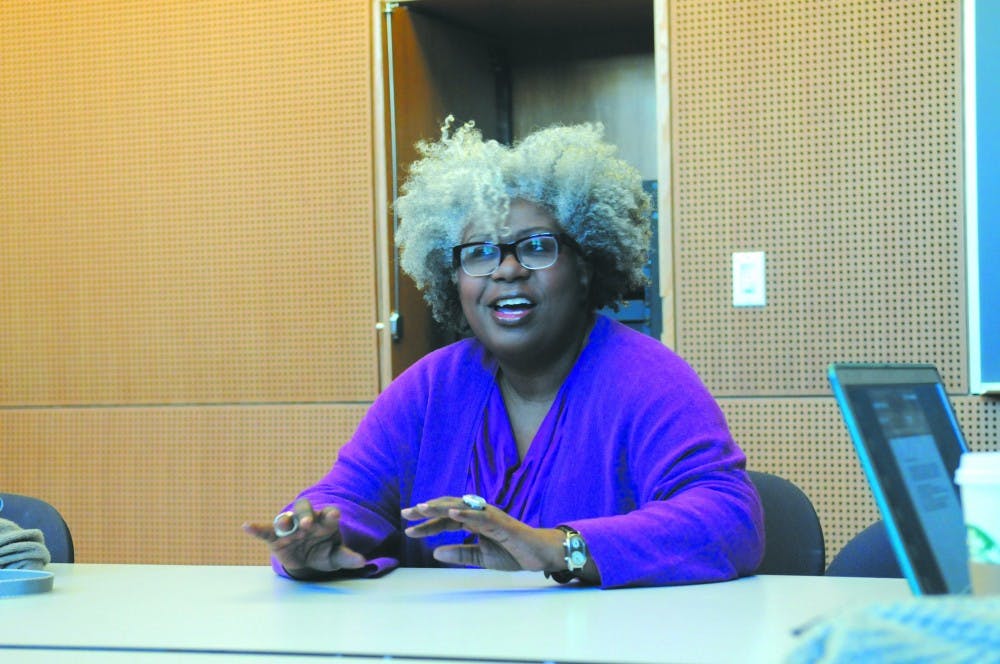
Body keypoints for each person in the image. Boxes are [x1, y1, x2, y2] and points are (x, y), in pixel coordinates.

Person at [244, 118, 765, 588]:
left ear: (585, 268)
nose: (506, 269)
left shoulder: (646, 376)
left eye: (537, 247)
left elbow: (729, 518)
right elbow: (350, 498)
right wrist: (309, 544)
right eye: (480, 253)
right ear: (454, 281)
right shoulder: (431, 386)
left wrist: (559, 548)